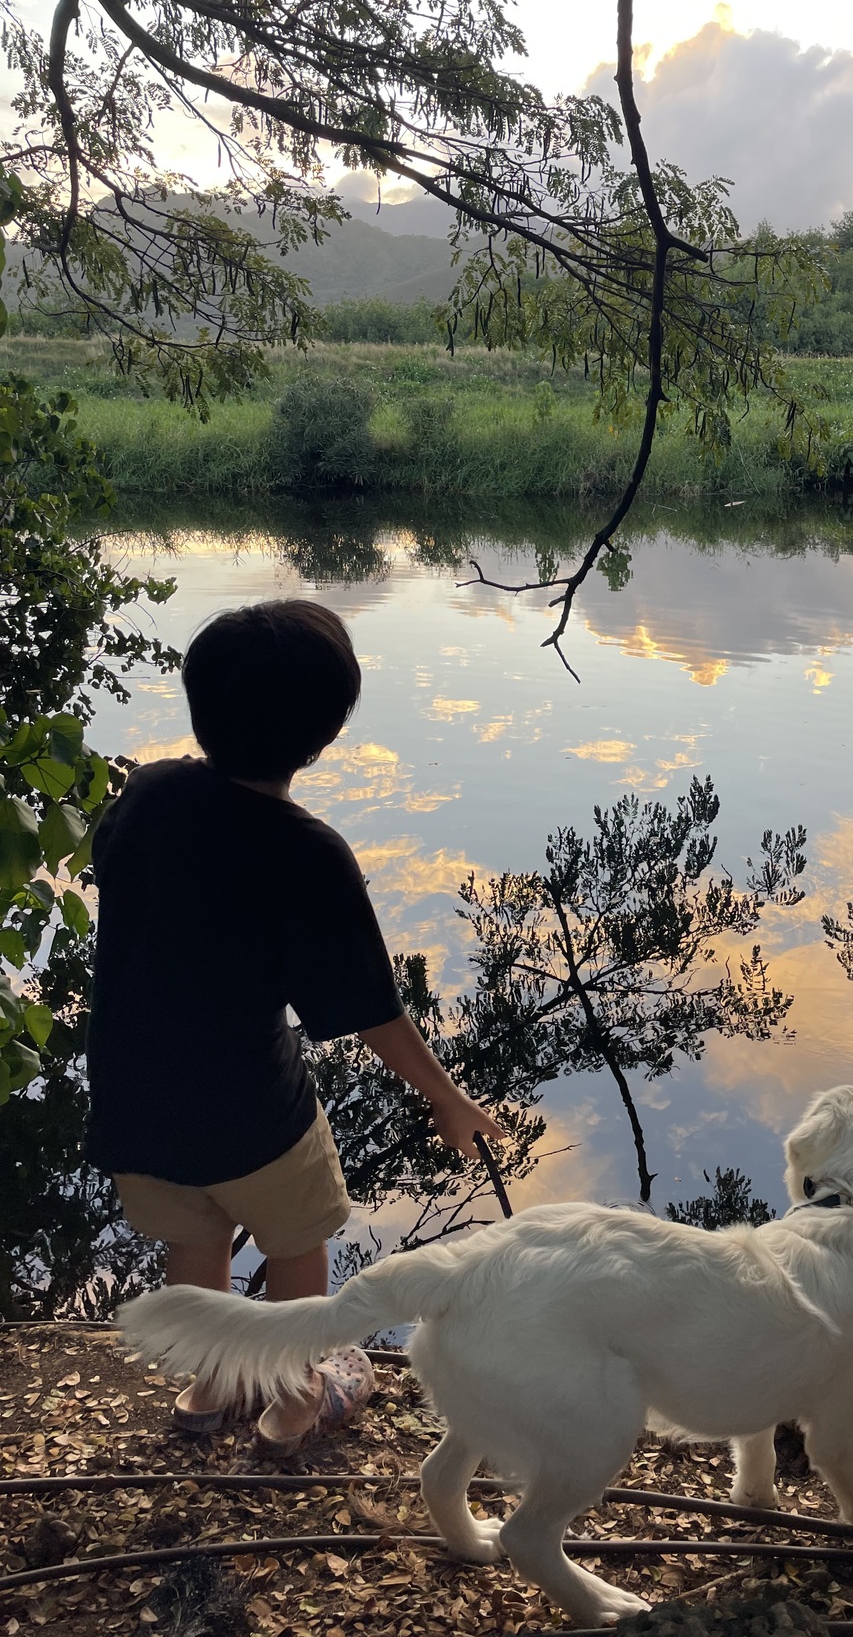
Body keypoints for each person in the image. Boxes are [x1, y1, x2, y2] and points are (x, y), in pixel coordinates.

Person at [85, 599, 504, 1453]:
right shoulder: (308, 853)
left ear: (201, 705)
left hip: (135, 1105)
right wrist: (449, 1099)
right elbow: (372, 1014)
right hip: (256, 1115)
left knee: (195, 1241)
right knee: (297, 1245)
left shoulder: (151, 791)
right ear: (324, 736)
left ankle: (207, 1392)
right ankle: (294, 1399)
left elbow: (114, 869)